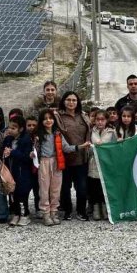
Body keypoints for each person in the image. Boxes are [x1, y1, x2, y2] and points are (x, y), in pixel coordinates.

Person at [34, 109, 77, 226]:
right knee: (44, 188)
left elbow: (66, 148)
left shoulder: (58, 134)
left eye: (50, 118)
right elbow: (33, 150)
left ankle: (54, 212)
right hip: (44, 162)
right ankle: (46, 213)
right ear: (41, 121)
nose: (48, 121)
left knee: (56, 189)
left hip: (57, 162)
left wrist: (80, 146)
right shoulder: (38, 135)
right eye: (45, 118)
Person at [57, 91, 93, 220]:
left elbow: (90, 132)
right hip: (65, 159)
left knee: (82, 187)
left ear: (77, 102)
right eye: (68, 100)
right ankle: (67, 211)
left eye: (74, 100)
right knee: (65, 188)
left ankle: (81, 210)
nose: (71, 102)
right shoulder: (58, 117)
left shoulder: (83, 116)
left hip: (81, 158)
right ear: (64, 101)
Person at [1, 115, 34, 227]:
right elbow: (4, 154)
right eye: (9, 127)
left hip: (22, 173)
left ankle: (24, 215)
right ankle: (16, 213)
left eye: (13, 128)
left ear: (20, 129)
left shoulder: (26, 140)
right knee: (13, 193)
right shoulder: (7, 139)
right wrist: (5, 154)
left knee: (22, 194)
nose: (10, 130)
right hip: (11, 171)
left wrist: (13, 152)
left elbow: (27, 157)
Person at [88, 112, 117, 220]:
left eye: (102, 119)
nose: (100, 122)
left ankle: (105, 208)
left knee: (103, 187)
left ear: (106, 120)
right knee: (94, 186)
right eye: (98, 119)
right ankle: (96, 208)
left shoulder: (111, 132)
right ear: (95, 120)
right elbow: (87, 147)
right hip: (93, 163)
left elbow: (114, 148)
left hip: (106, 164)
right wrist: (94, 147)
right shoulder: (91, 131)